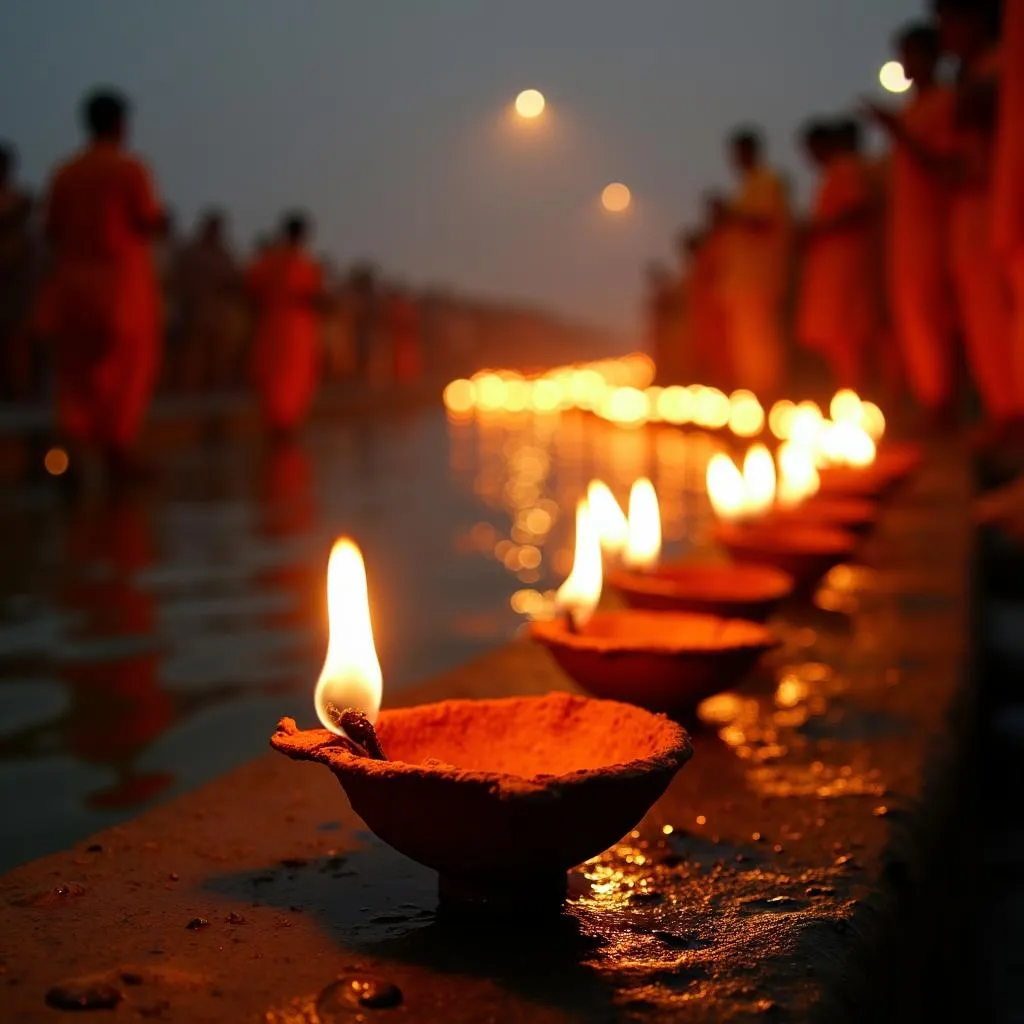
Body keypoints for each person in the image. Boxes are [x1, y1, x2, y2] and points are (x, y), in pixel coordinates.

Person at [39, 89, 166, 480]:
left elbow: (52, 230)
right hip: (120, 288)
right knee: (126, 369)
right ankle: (118, 451)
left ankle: (72, 450)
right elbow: (148, 220)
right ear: (119, 125)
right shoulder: (128, 170)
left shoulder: (65, 173)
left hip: (74, 287)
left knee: (77, 373)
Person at [868, 23, 958, 422]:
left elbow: (946, 164)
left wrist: (900, 134)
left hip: (937, 226)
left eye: (912, 54)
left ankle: (944, 409)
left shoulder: (946, 103)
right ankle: (929, 403)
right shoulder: (912, 109)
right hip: (905, 233)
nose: (906, 63)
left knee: (935, 315)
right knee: (913, 318)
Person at [938, 0, 1015, 440]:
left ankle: (1013, 419)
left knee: (1001, 311)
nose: (947, 35)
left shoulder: (1001, 64)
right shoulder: (971, 75)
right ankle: (1004, 413)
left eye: (950, 22)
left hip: (995, 198)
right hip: (974, 209)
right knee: (982, 317)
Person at [796, 119, 878, 390]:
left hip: (844, 263)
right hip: (830, 264)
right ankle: (848, 391)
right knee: (833, 333)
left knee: (846, 332)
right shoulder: (832, 174)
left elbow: (859, 209)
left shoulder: (846, 169)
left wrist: (820, 230)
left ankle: (857, 393)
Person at [718, 127, 791, 399]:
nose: (734, 160)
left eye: (738, 153)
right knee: (745, 344)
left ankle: (769, 396)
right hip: (741, 277)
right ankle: (752, 398)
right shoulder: (745, 187)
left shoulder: (769, 181)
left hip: (760, 276)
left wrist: (732, 215)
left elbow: (764, 222)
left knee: (762, 341)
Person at [246, 211, 324, 437]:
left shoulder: (270, 260)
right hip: (293, 325)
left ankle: (282, 421)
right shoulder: (300, 263)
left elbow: (252, 289)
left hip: (276, 324)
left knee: (283, 372)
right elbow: (313, 295)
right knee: (288, 373)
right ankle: (282, 422)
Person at [174, 210, 243, 390]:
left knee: (219, 355)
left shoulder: (223, 253)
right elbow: (180, 279)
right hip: (196, 311)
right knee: (193, 355)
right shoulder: (191, 252)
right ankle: (188, 391)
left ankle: (214, 389)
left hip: (220, 313)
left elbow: (234, 279)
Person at [0, 144, 36, 399]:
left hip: (14, 285)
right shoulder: (17, 203)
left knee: (15, 342)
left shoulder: (17, 199)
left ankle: (16, 391)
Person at [686, 193, 731, 389]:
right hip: (707, 307)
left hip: (723, 302)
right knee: (712, 350)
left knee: (730, 349)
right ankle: (719, 387)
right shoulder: (711, 239)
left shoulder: (728, 237)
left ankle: (738, 389)